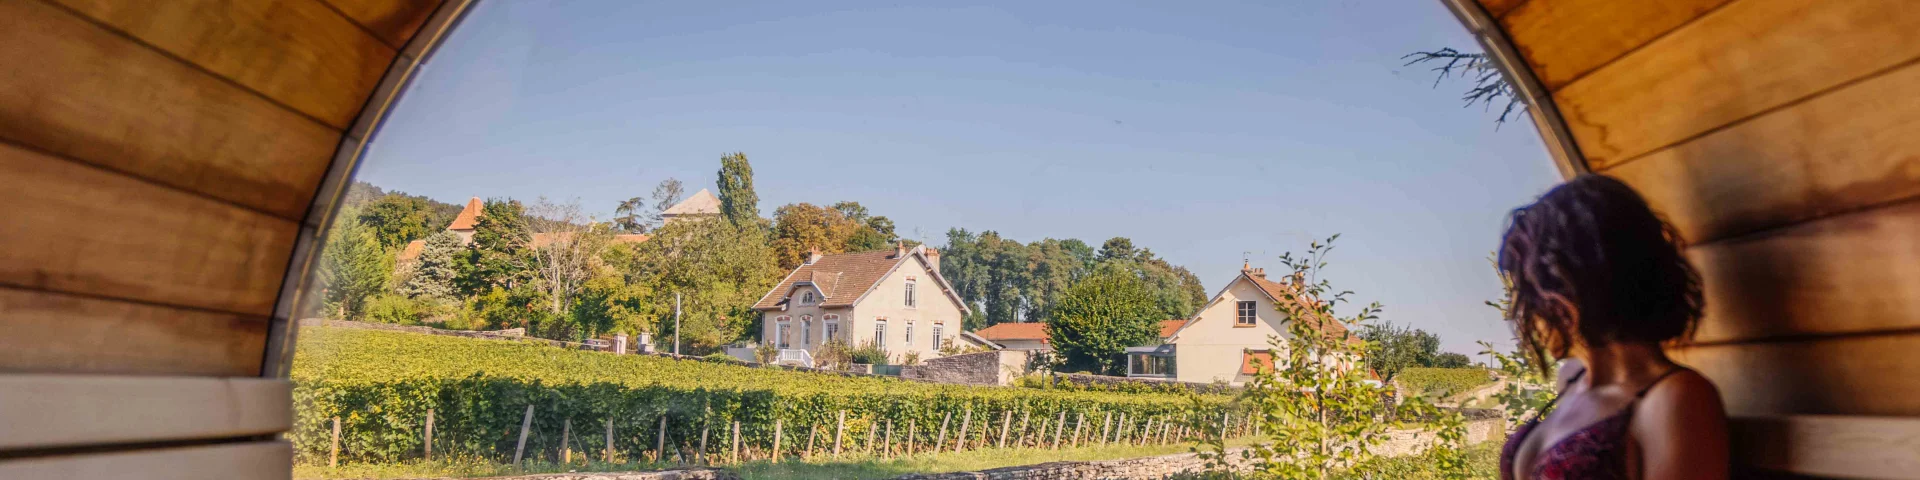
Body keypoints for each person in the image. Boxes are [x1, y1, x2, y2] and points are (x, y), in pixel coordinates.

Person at [1495, 175, 1729, 480]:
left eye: (1534, 291)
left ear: (1571, 286)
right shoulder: (1571, 379)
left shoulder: (1676, 399)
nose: (1530, 313)